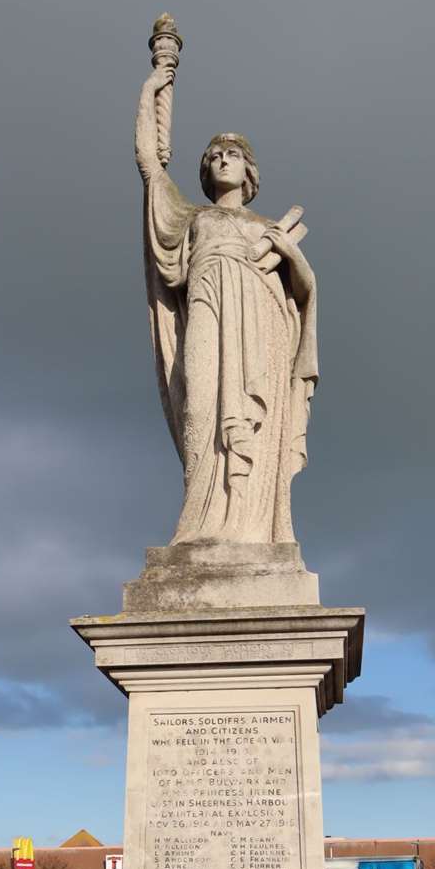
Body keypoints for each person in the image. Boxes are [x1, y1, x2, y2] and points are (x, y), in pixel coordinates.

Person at [136, 62, 318, 545]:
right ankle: (199, 520)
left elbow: (304, 289)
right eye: (215, 153)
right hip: (206, 304)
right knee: (199, 404)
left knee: (245, 415)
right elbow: (151, 168)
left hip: (258, 321)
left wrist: (288, 252)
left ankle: (247, 522)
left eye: (233, 154)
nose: (222, 159)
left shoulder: (265, 228)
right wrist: (156, 84)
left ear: (249, 170)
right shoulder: (191, 218)